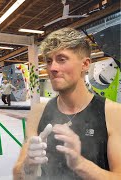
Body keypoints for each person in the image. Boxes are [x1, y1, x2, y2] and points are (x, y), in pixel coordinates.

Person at [13, 28, 121, 180]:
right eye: (49, 61)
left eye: (61, 59)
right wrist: (29, 165)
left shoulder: (112, 112)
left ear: (85, 64)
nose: (52, 68)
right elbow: (17, 176)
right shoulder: (38, 112)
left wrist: (80, 164)